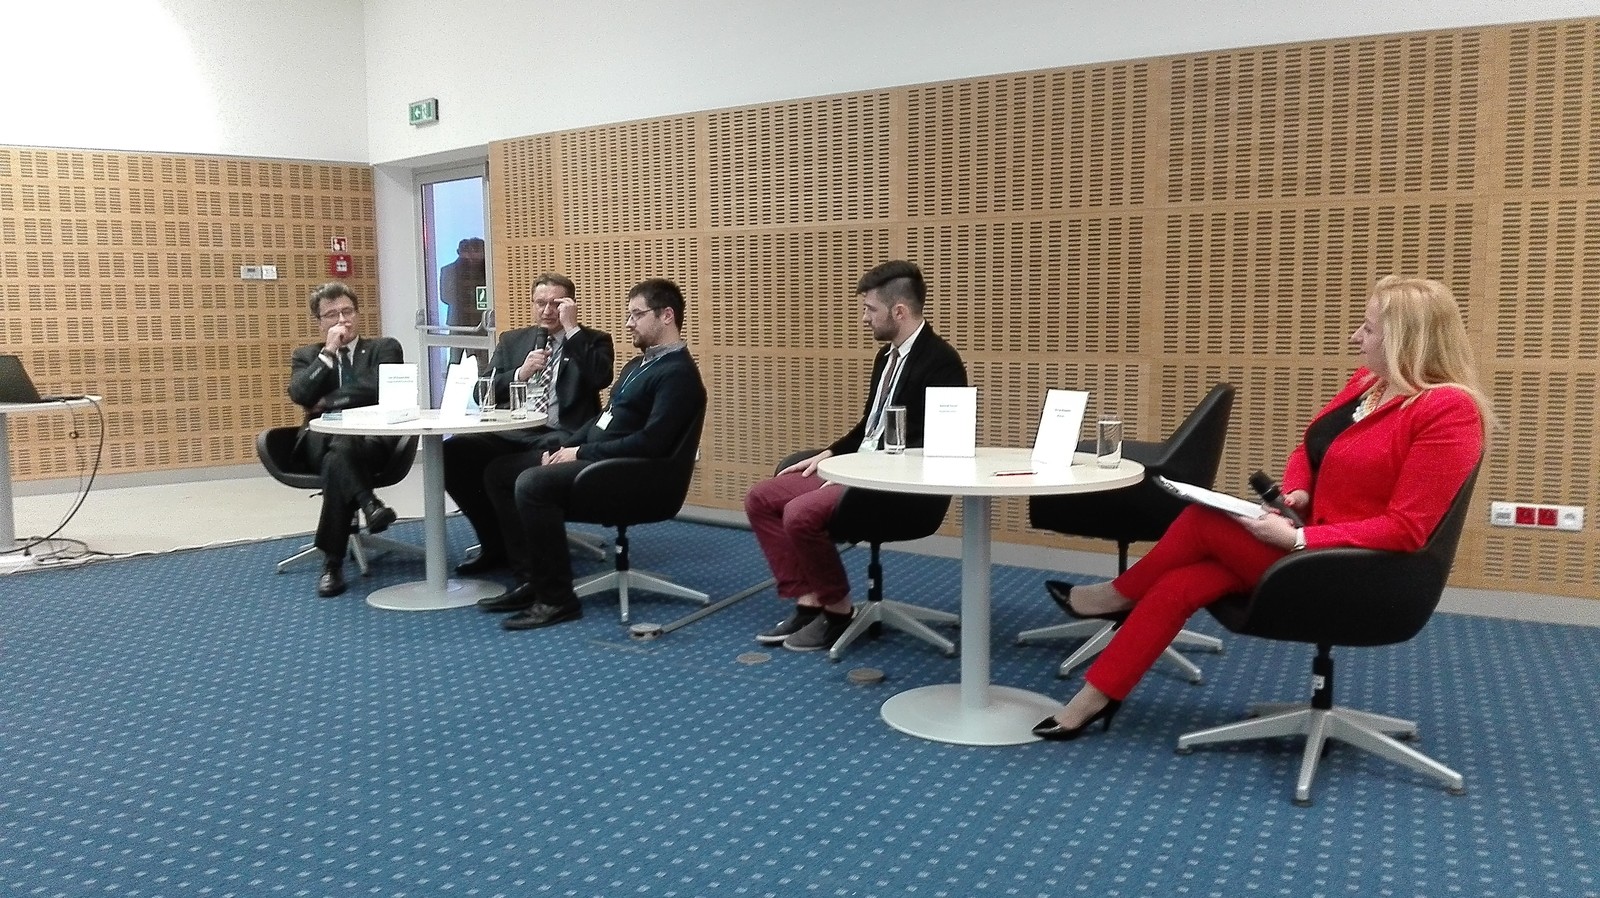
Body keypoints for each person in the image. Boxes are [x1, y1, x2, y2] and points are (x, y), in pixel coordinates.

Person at [1033, 275, 1490, 741]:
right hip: (1308, 543)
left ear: (1407, 340)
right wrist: (1298, 493)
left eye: (1369, 329)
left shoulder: (1448, 411)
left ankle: (1116, 596)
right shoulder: (1369, 384)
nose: (1355, 337)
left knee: (1202, 518)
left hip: (1358, 568)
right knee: (1178, 584)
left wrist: (1299, 538)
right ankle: (1094, 700)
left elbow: (1406, 529)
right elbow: (1308, 449)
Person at [744, 260, 968, 652]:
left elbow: (939, 447)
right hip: (859, 468)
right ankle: (809, 601)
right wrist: (830, 454)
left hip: (897, 487)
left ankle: (837, 610)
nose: (864, 318)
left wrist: (858, 470)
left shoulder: (942, 363)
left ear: (899, 311)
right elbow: (870, 427)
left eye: (870, 309)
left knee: (799, 513)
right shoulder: (886, 358)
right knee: (761, 498)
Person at [476, 278, 707, 631]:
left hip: (635, 475)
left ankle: (557, 599)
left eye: (636, 314)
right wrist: (565, 448)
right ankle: (532, 580)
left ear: (666, 316)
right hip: (601, 460)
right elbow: (602, 419)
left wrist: (581, 452)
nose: (628, 323)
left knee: (533, 484)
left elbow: (651, 443)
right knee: (500, 473)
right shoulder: (638, 366)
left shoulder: (678, 374)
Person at [442, 273, 615, 575]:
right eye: (540, 303)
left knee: (504, 470)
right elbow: (481, 391)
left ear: (569, 305)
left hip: (561, 434)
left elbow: (600, 377)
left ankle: (528, 557)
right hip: (514, 431)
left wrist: (572, 330)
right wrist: (520, 373)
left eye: (556, 304)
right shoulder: (513, 340)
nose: (547, 311)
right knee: (452, 453)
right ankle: (494, 543)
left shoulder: (592, 341)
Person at [286, 282, 406, 598]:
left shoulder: (384, 348)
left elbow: (379, 387)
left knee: (339, 456)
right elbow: (300, 393)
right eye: (332, 315)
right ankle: (370, 504)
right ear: (319, 322)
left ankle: (332, 564)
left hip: (372, 442)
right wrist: (327, 354)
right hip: (318, 442)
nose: (342, 320)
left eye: (347, 311)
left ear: (357, 313)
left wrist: (327, 401)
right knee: (338, 447)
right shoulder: (307, 356)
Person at [439, 237, 487, 366]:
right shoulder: (449, 270)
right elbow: (445, 296)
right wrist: (465, 299)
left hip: (481, 324)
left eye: (476, 251)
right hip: (458, 322)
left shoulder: (487, 270)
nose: (471, 256)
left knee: (483, 364)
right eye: (469, 251)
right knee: (454, 362)